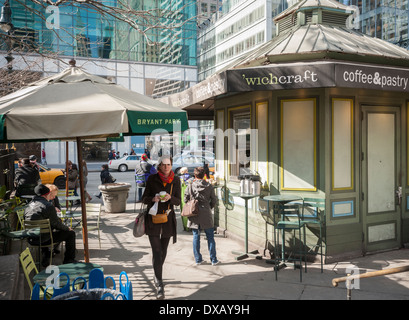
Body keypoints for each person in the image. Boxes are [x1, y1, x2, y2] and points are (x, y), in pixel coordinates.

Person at [142, 155, 181, 299]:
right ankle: (159, 283)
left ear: (171, 165)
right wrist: (153, 199)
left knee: (163, 251)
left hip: (168, 218)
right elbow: (144, 198)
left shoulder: (176, 180)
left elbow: (178, 201)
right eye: (163, 165)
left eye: (169, 164)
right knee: (156, 251)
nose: (166, 167)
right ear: (159, 166)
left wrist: (171, 198)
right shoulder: (152, 179)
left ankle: (156, 273)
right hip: (153, 219)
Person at [24, 184, 77, 266]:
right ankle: (69, 260)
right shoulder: (48, 206)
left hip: (31, 237)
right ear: (48, 194)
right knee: (70, 234)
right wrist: (67, 228)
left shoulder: (28, 205)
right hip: (44, 238)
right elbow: (56, 223)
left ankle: (47, 255)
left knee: (46, 229)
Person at [184, 166, 219, 266]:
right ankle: (214, 259)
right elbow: (214, 200)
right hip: (206, 213)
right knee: (210, 237)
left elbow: (185, 199)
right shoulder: (209, 186)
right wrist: (209, 207)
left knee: (196, 236)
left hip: (194, 213)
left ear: (195, 175)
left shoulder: (190, 185)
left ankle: (198, 259)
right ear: (204, 175)